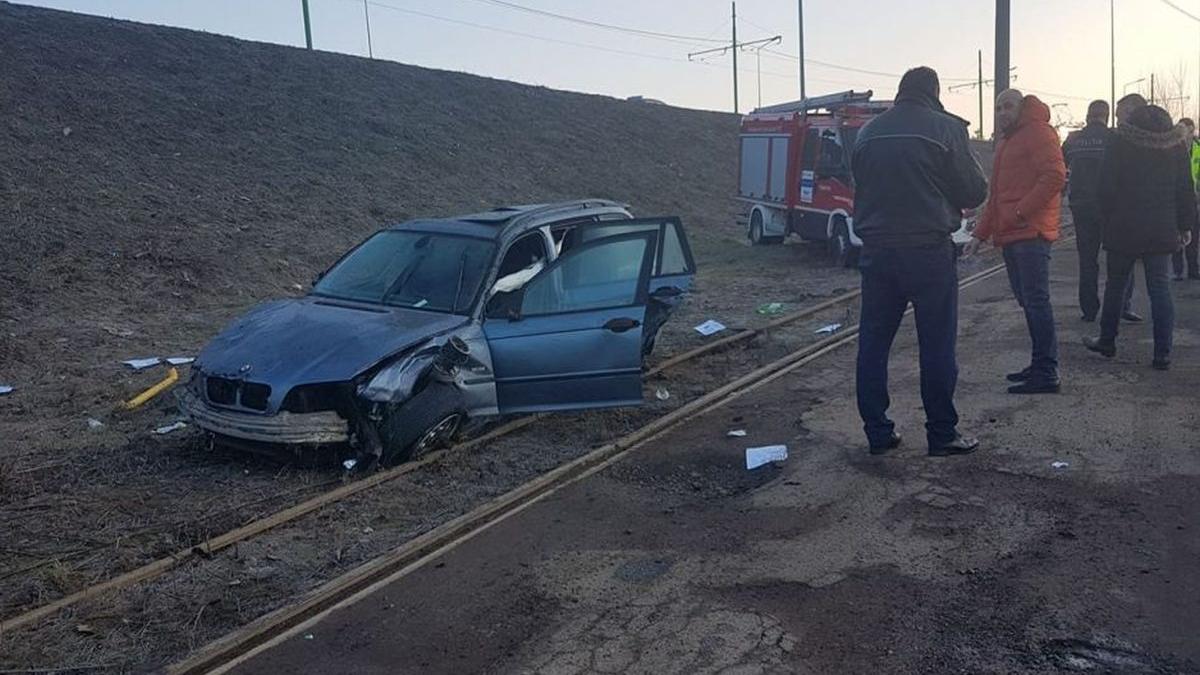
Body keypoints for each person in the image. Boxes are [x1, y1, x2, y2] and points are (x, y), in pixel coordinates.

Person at [851, 66, 988, 457]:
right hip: (928, 250)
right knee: (937, 343)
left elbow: (859, 183)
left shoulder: (866, 133)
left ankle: (878, 432)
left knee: (874, 343)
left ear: (900, 91)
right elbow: (974, 190)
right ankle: (942, 434)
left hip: (877, 251)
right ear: (935, 92)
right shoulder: (945, 129)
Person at [965, 89, 1067, 394]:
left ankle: (1047, 371)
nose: (1001, 112)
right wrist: (979, 235)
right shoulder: (1009, 141)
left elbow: (1055, 176)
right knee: (1029, 301)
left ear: (1021, 107)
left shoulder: (1037, 132)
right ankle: (1040, 363)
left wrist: (1022, 211)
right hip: (1014, 232)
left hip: (1030, 232)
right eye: (997, 107)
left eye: (1007, 106)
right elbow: (997, 197)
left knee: (1036, 301)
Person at [1084, 105, 1198, 370]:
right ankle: (1162, 354)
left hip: (1123, 227)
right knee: (1160, 289)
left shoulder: (1119, 143)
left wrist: (1107, 218)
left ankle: (1107, 341)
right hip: (1162, 228)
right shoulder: (1176, 146)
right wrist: (1185, 226)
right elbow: (1185, 190)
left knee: (1115, 286)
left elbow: (1105, 186)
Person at [1062, 100, 1135, 322]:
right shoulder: (1115, 138)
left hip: (1081, 205)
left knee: (1087, 259)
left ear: (1087, 116)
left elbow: (1059, 165)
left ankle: (1089, 310)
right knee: (1121, 256)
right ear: (1107, 116)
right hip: (1111, 206)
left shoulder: (1073, 139)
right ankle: (1122, 306)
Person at [1171, 117, 1200, 279]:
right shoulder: (1172, 149)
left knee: (1194, 236)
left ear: (1191, 130)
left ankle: (1193, 270)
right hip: (1178, 197)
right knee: (1176, 235)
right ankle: (1177, 270)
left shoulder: (1198, 148)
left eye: (1184, 129)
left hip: (1195, 199)